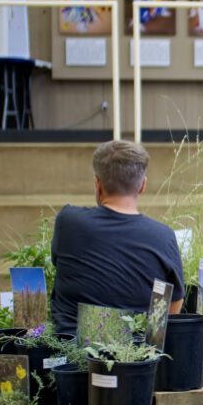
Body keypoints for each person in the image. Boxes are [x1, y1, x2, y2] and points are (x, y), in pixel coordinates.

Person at [50, 140, 184, 334]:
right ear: (142, 186)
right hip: (134, 359)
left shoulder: (68, 222)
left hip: (68, 357)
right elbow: (174, 300)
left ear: (98, 184)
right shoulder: (163, 237)